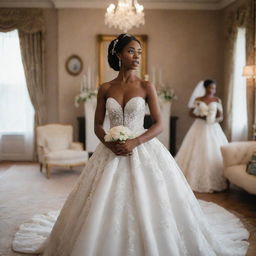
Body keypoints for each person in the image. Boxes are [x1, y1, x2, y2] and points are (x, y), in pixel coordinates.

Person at [12, 34, 249, 256]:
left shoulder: (147, 87)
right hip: (110, 150)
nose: (136, 56)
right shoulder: (105, 88)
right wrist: (109, 142)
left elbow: (158, 124)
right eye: (131, 51)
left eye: (139, 52)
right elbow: (96, 124)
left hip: (143, 148)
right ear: (118, 54)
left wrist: (135, 141)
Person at [175, 80, 229, 193]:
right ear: (205, 88)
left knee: (213, 151)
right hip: (199, 126)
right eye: (210, 88)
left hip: (213, 127)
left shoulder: (217, 100)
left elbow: (221, 116)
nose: (212, 90)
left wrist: (214, 119)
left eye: (214, 88)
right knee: (196, 149)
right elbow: (190, 113)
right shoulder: (198, 99)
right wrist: (201, 116)